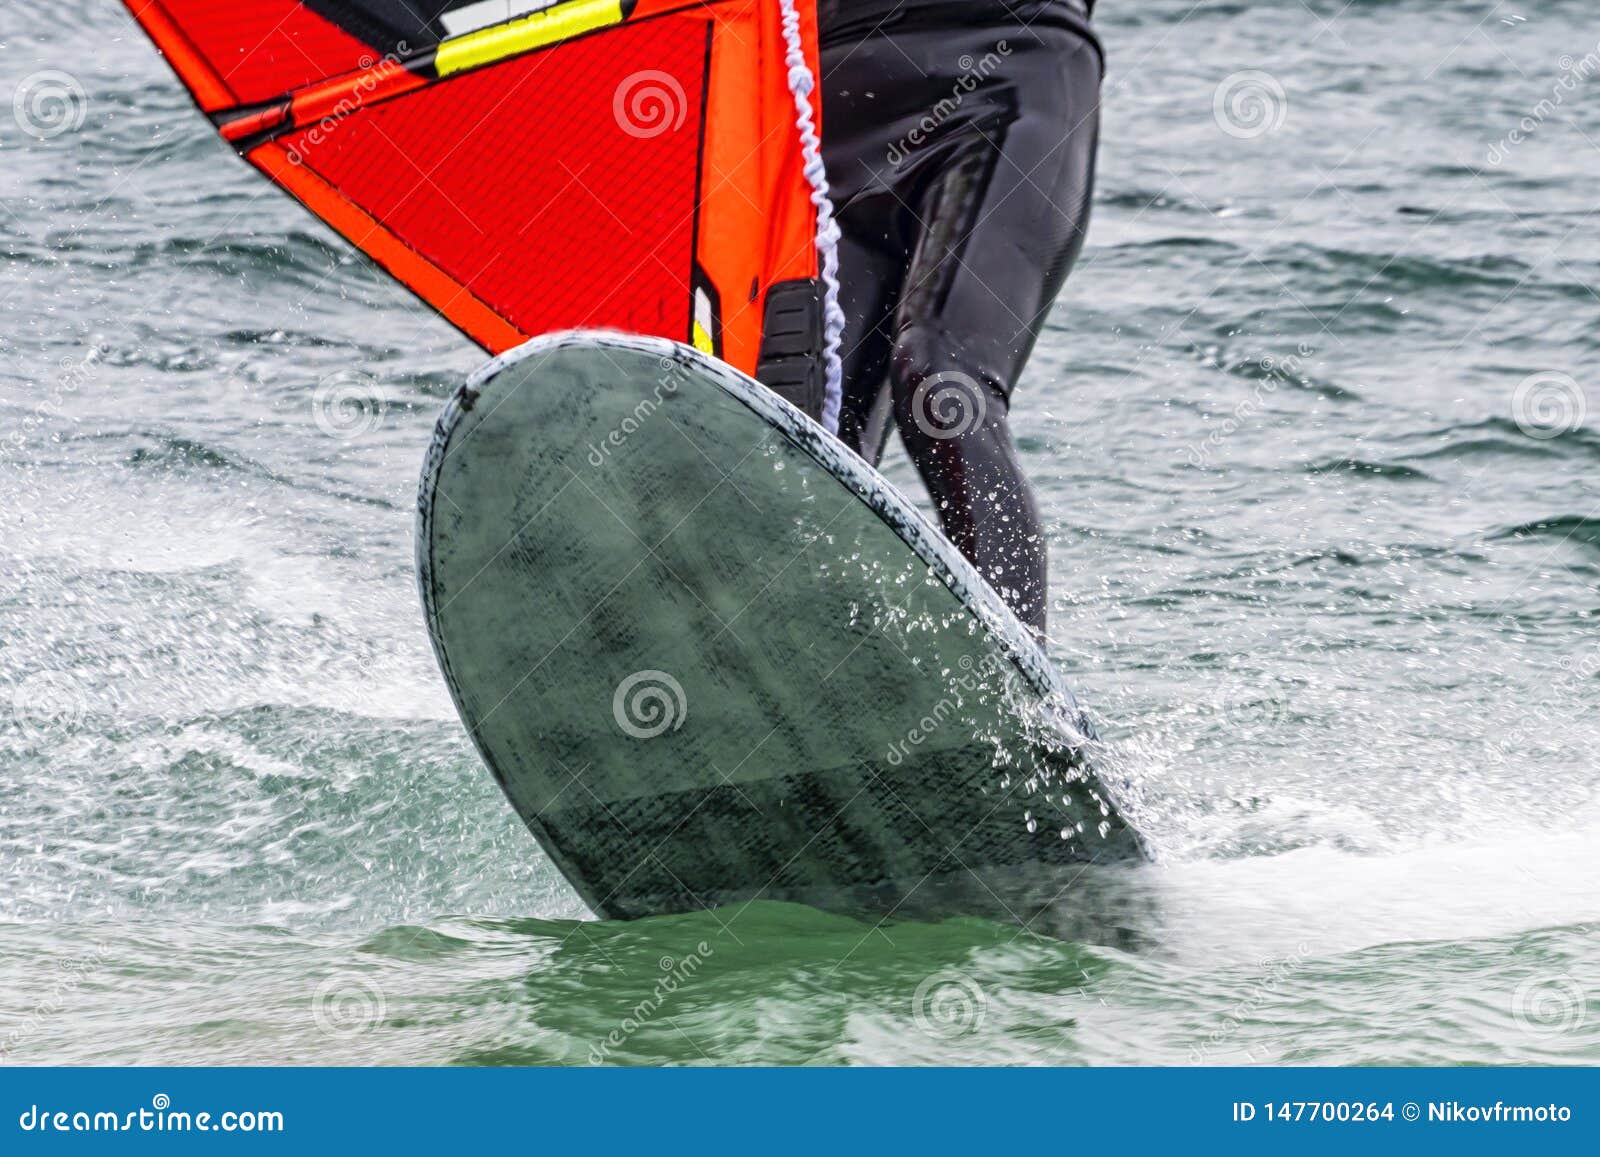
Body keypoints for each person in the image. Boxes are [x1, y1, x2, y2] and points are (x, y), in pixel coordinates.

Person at [818, 0, 1103, 636]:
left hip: (1009, 67)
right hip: (825, 109)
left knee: (942, 375)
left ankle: (1016, 695)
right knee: (802, 439)